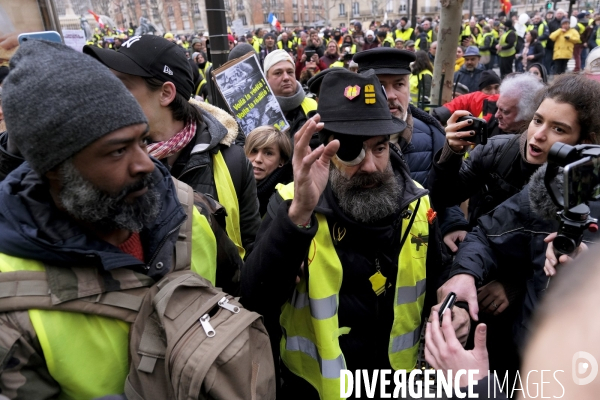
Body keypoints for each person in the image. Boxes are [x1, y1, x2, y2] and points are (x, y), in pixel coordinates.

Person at [0, 39, 242, 399]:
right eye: (117, 151)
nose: (147, 164)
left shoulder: (190, 210)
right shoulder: (12, 301)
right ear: (56, 168)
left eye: (142, 141)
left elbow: (240, 300)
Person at [242, 69, 461, 399]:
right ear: (326, 150)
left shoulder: (417, 203)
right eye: (352, 151)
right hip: (317, 390)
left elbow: (437, 274)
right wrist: (299, 214)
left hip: (397, 385)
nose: (370, 165)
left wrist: (451, 301)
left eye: (380, 147)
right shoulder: (290, 204)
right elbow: (254, 300)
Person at [437, 73, 600, 357]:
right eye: (538, 120)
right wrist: (450, 153)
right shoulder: (501, 152)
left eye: (558, 129)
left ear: (585, 142)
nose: (538, 134)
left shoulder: (580, 192)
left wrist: (516, 286)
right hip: (495, 303)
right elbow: (470, 219)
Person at [83, 35, 261, 259]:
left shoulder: (232, 161)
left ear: (166, 93)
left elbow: (251, 246)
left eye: (122, 85)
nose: (110, 95)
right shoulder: (100, 161)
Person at [353, 48, 470, 252]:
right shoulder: (344, 139)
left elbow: (445, 194)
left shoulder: (434, 135)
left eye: (399, 84)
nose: (390, 96)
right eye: (379, 85)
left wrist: (452, 224)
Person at [264, 50, 317, 137]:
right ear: (266, 79)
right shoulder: (257, 113)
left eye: (290, 72)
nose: (286, 78)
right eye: (278, 73)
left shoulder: (313, 105)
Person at [244, 126, 293, 217]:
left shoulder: (287, 197)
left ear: (281, 160)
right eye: (253, 151)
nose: (258, 159)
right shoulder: (234, 183)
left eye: (268, 153)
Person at [431, 70, 501, 126]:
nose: (493, 93)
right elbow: (458, 103)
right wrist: (438, 116)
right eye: (488, 89)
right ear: (480, 91)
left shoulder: (507, 97)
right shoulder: (475, 99)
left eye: (496, 87)